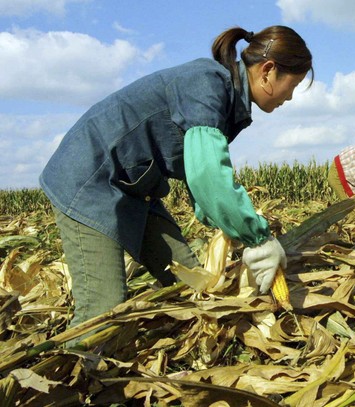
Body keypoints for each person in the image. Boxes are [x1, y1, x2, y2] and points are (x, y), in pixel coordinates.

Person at [39, 25, 313, 329]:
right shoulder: (208, 84)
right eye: (294, 83)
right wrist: (257, 238)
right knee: (103, 309)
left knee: (192, 281)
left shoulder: (226, 97)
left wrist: (235, 233)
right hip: (89, 181)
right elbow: (209, 176)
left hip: (135, 187)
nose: (290, 96)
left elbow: (198, 179)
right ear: (268, 70)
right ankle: (73, 371)